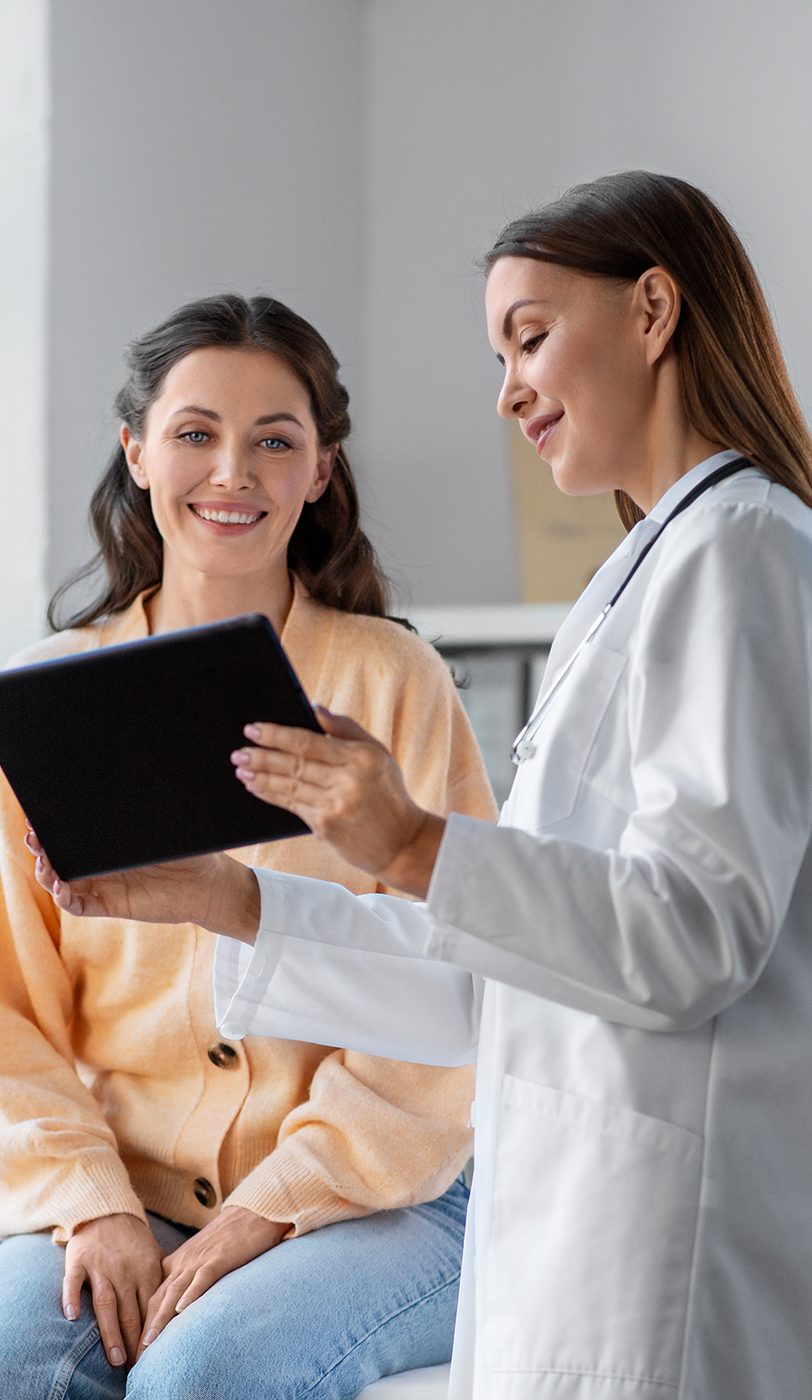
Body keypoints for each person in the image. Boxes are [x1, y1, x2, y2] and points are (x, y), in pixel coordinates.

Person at [35, 171, 812, 1400]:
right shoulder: (639, 577)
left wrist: (405, 840)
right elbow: (486, 976)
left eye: (529, 337)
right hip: (566, 1205)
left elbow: (693, 934)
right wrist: (236, 900)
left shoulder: (743, 551)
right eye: (500, 351)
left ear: (653, 310)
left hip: (651, 1225)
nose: (506, 390)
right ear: (136, 453)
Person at [0, 294, 498, 1400]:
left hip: (379, 1189)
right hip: (120, 1179)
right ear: (135, 452)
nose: (232, 471)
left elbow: (461, 976)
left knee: (203, 1372)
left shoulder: (389, 682)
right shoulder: (44, 698)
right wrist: (90, 1196)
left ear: (319, 469)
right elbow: (7, 1006)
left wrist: (263, 1208)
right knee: (19, 1357)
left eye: (275, 439)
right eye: (194, 434)